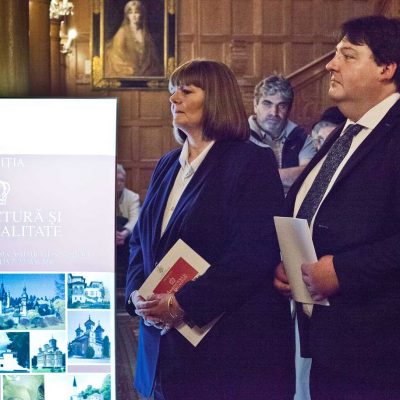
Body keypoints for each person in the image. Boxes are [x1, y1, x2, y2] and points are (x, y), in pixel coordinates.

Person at [125, 59, 294, 400]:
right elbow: (140, 243)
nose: (174, 99)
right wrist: (136, 295)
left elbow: (253, 255)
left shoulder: (250, 162)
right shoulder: (167, 164)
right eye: (173, 91)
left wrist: (181, 303)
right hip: (160, 349)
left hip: (223, 351)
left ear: (216, 98)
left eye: (186, 91)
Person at [274, 15, 400, 399]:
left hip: (379, 353)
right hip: (328, 341)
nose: (331, 64)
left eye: (348, 55)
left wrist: (344, 270)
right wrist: (290, 264)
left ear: (386, 68)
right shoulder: (344, 132)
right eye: (334, 54)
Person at [249, 75, 316, 194]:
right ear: (255, 105)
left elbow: (310, 175)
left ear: (289, 110)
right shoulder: (239, 137)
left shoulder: (301, 138)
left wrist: (257, 177)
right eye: (267, 104)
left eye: (282, 106)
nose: (274, 113)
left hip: (291, 206)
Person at [105, 0, 162, 77]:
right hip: (125, 70)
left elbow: (151, 58)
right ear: (127, 16)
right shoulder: (122, 33)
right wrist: (131, 69)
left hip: (144, 71)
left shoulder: (145, 34)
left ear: (141, 14)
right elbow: (116, 57)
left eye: (137, 12)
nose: (134, 16)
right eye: (130, 13)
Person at [116, 163, 140, 280]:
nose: (119, 183)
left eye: (121, 180)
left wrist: (124, 233)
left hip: (125, 235)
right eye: (116, 180)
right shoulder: (102, 195)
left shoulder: (133, 197)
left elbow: (135, 219)